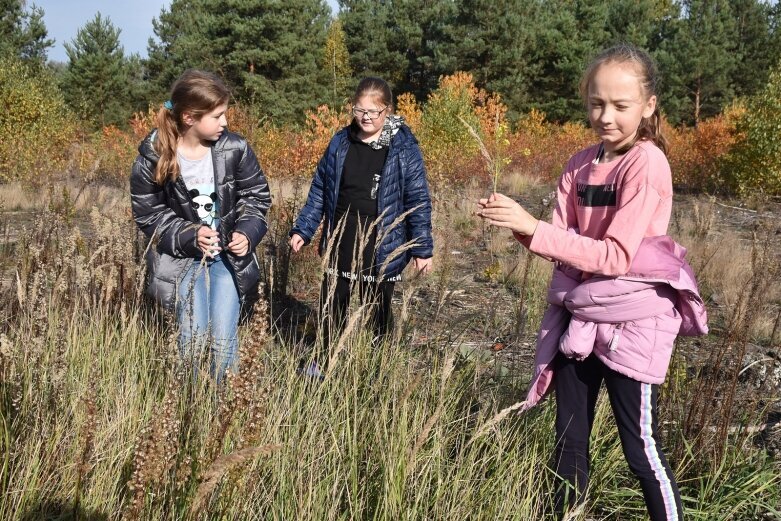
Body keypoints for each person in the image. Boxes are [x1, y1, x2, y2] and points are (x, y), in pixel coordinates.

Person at [477, 44, 708, 520]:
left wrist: (537, 230)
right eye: (597, 103)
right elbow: (560, 247)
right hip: (579, 320)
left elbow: (617, 256)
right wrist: (520, 226)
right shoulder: (579, 164)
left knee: (641, 450)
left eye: (621, 106)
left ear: (648, 105)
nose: (606, 116)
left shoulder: (645, 164)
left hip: (633, 323)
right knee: (568, 445)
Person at [130, 69, 271, 382]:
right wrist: (189, 235)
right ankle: (190, 408)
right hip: (183, 262)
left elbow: (257, 198)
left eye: (225, 115)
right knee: (192, 339)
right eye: (218, 115)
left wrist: (247, 233)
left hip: (228, 261)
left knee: (223, 342)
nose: (225, 123)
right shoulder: (153, 158)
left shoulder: (234, 148)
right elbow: (148, 214)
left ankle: (224, 415)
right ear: (190, 117)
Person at [289, 76, 433, 377]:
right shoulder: (341, 142)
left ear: (388, 110)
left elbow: (417, 198)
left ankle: (377, 367)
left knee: (376, 306)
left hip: (382, 241)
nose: (366, 118)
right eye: (360, 111)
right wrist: (304, 229)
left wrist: (422, 248)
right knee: (333, 302)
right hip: (341, 235)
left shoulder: (404, 148)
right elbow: (321, 189)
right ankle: (325, 362)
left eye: (374, 112)